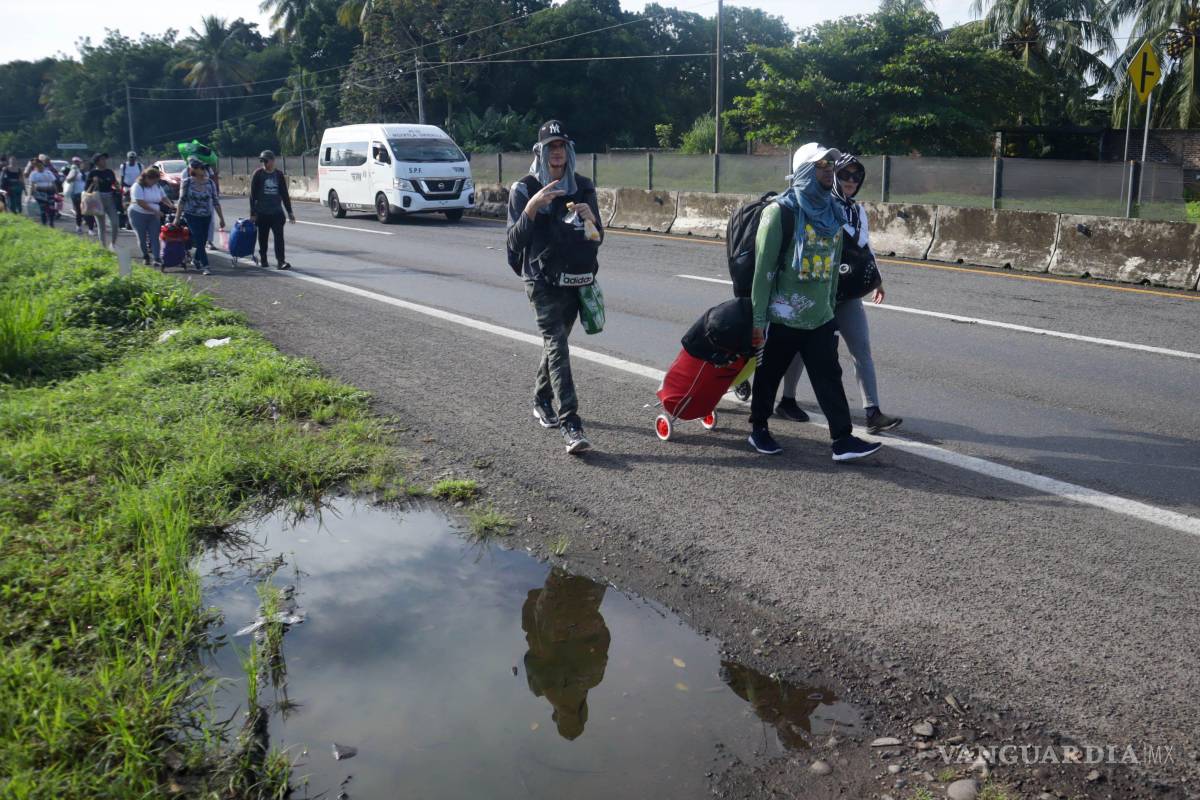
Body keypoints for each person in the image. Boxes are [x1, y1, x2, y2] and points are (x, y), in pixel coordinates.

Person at [746, 143, 881, 462]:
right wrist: (757, 321)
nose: (829, 171)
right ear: (806, 171)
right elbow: (763, 271)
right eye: (822, 166)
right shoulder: (779, 212)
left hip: (820, 315)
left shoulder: (833, 211)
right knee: (768, 376)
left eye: (830, 166)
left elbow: (834, 266)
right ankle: (759, 429)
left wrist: (831, 309)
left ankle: (843, 439)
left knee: (829, 376)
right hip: (782, 313)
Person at [775, 154, 903, 435]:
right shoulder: (821, 206)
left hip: (847, 292)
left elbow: (865, 246)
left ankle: (873, 412)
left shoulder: (858, 211)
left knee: (862, 350)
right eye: (844, 174)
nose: (850, 181)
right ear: (833, 176)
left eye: (856, 177)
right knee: (799, 347)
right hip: (819, 290)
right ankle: (787, 400)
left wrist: (877, 278)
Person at [506, 119, 604, 455]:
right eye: (551, 147)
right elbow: (514, 242)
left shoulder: (583, 186)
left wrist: (590, 218)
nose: (557, 153)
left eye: (562, 146)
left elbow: (598, 238)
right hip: (541, 280)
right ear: (541, 151)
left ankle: (540, 397)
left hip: (576, 279)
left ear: (569, 150)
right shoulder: (524, 188)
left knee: (556, 345)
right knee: (558, 344)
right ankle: (571, 424)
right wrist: (533, 207)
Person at [177, 157, 225, 275]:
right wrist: (176, 218)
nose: (204, 170)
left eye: (205, 168)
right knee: (199, 239)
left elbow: (215, 201)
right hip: (192, 215)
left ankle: (196, 259)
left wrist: (221, 218)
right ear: (193, 169)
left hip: (206, 215)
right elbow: (181, 201)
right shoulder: (187, 182)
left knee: (202, 241)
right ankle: (206, 266)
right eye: (201, 168)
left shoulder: (210, 183)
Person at [249, 150, 295, 270]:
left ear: (272, 161)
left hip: (276, 213)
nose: (264, 163)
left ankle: (281, 261)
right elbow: (252, 195)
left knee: (279, 238)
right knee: (263, 238)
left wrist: (290, 212)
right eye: (262, 161)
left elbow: (284, 194)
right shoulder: (258, 174)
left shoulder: (279, 175)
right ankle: (263, 258)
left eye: (266, 160)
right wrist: (253, 213)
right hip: (262, 213)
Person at [129, 167, 174, 267]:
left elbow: (163, 197)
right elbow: (140, 203)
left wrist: (170, 205)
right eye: (154, 180)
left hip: (153, 215)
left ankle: (157, 258)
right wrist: (155, 211)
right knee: (142, 237)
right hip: (138, 213)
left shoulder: (157, 186)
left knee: (154, 236)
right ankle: (145, 255)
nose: (155, 182)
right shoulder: (138, 186)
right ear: (147, 178)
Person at [85, 153, 122, 248]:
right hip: (98, 200)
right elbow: (87, 191)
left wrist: (118, 187)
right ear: (97, 162)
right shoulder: (92, 173)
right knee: (101, 226)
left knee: (115, 223)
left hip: (110, 199)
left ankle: (113, 244)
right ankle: (103, 246)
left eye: (105, 159)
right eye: (102, 159)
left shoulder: (109, 172)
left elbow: (114, 184)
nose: (105, 161)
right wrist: (94, 183)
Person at [28, 158, 59, 226]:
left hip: (50, 192)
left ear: (42, 164)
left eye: (39, 164)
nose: (38, 166)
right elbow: (32, 185)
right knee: (43, 209)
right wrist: (30, 195)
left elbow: (53, 183)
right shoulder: (33, 174)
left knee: (51, 208)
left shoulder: (48, 172)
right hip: (39, 193)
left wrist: (57, 193)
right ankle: (44, 224)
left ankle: (51, 222)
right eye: (36, 165)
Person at [63, 156, 90, 233]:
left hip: (85, 193)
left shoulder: (86, 172)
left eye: (78, 162)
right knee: (79, 211)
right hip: (76, 193)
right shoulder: (73, 170)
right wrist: (73, 176)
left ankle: (90, 227)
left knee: (87, 210)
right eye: (75, 162)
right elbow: (68, 179)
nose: (77, 163)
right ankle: (78, 227)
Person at [118, 151, 143, 230]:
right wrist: (121, 190)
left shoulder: (140, 166)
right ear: (128, 158)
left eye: (133, 158)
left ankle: (137, 221)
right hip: (127, 188)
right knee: (127, 206)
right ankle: (128, 222)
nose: (132, 159)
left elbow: (142, 178)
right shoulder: (123, 166)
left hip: (137, 188)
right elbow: (122, 178)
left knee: (138, 205)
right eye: (130, 158)